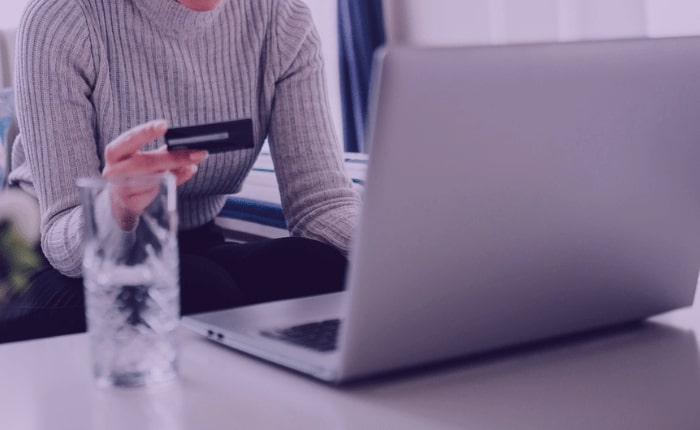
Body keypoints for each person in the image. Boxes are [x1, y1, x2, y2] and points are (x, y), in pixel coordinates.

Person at [0, 0, 360, 342]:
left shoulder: (280, 17)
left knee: (317, 268)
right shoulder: (62, 18)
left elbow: (320, 205)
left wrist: (403, 250)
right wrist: (117, 204)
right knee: (197, 290)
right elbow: (63, 244)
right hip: (49, 260)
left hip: (187, 243)